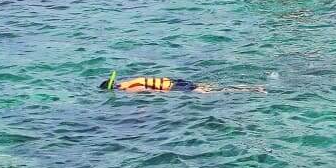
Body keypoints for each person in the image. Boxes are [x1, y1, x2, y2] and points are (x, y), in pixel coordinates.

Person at [99, 74, 265, 94]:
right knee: (215, 86)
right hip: (177, 81)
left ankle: (252, 90)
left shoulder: (129, 89)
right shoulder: (131, 80)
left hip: (176, 87)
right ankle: (249, 85)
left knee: (218, 91)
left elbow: (152, 91)